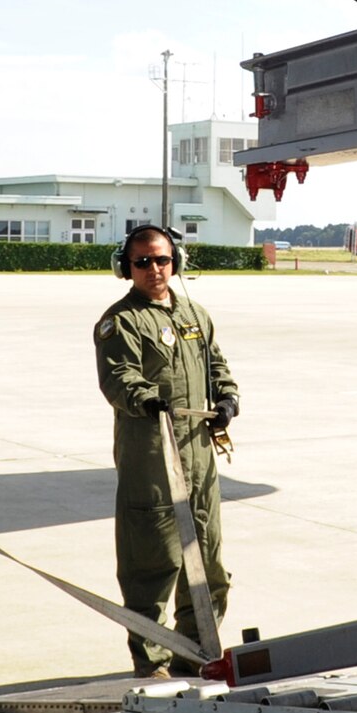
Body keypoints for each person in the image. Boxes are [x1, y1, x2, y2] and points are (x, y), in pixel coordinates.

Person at [93, 225, 240, 678]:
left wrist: (228, 401)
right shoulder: (120, 322)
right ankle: (151, 661)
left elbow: (217, 366)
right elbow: (118, 379)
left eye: (161, 260)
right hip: (153, 459)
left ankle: (196, 652)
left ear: (177, 261)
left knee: (209, 564)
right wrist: (145, 400)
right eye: (142, 262)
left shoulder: (195, 314)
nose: (154, 270)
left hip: (199, 457)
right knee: (153, 563)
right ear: (126, 267)